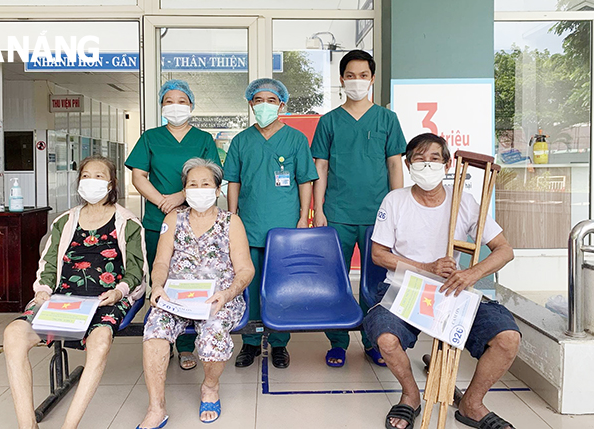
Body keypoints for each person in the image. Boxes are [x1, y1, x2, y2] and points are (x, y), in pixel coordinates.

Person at [364, 133, 520, 429]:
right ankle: (410, 396)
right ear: (408, 165)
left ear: (447, 165)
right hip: (406, 286)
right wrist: (425, 267)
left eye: (434, 159)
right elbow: (379, 255)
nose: (427, 166)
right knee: (385, 337)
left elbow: (505, 250)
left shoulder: (465, 200)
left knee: (507, 338)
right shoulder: (395, 200)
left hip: (453, 288)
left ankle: (472, 404)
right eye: (419, 160)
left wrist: (470, 274)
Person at [3, 155, 148, 429]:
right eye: (85, 176)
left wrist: (119, 292)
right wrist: (43, 292)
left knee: (100, 341)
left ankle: (69, 426)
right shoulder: (64, 222)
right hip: (62, 300)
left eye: (99, 176)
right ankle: (27, 425)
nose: (91, 181)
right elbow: (47, 266)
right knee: (13, 335)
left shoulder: (128, 223)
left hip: (106, 300)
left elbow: (136, 271)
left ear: (111, 184)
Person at [138, 158, 254, 428]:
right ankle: (156, 407)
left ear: (217, 191)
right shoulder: (173, 219)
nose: (199, 189)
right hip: (176, 298)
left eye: (205, 184)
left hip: (218, 298)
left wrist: (227, 294)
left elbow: (246, 269)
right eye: (192, 184)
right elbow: (161, 263)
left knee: (213, 335)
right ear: (185, 191)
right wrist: (157, 286)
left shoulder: (231, 222)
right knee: (154, 330)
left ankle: (210, 387)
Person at [312, 49, 407, 367]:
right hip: (337, 213)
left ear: (372, 79)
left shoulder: (386, 119)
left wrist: (398, 211)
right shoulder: (329, 122)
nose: (357, 81)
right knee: (334, 280)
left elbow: (395, 165)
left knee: (375, 284)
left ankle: (372, 340)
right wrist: (319, 210)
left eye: (363, 76)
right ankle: (337, 342)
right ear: (341, 80)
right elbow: (321, 168)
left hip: (378, 215)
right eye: (350, 76)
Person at [126, 79, 222, 371]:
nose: (175, 105)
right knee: (163, 279)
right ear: (162, 106)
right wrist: (163, 203)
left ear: (191, 105)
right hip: (159, 219)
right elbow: (139, 176)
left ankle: (185, 345)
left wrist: (181, 196)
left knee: (193, 279)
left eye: (182, 100)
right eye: (169, 100)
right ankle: (163, 337)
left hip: (197, 217)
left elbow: (211, 175)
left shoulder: (203, 138)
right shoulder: (150, 137)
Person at [223, 78, 319, 369]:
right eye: (258, 100)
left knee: (281, 287)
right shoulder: (241, 141)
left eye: (271, 100)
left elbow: (305, 180)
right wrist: (232, 219)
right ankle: (250, 342)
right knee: (248, 287)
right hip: (249, 227)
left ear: (281, 104)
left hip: (285, 228)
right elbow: (233, 182)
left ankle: (279, 343)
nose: (264, 105)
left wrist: (304, 217)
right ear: (251, 104)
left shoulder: (295, 139)